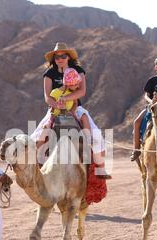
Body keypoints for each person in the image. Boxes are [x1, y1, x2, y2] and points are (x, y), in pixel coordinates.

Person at [31, 42, 111, 179]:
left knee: (96, 135)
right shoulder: (49, 73)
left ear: (68, 57)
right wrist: (57, 105)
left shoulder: (77, 70)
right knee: (38, 135)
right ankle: (36, 166)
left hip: (75, 107)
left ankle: (100, 168)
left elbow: (82, 91)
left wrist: (65, 98)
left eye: (63, 56)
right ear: (53, 59)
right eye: (56, 57)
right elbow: (47, 96)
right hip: (54, 108)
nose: (60, 59)